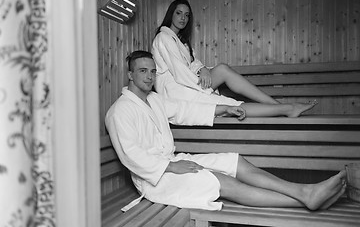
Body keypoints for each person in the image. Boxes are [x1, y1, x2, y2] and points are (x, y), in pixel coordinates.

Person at [105, 50, 346, 212]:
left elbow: (185, 109)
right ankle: (305, 198)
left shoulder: (155, 100)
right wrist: (170, 167)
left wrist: (224, 110)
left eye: (152, 71)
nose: (149, 76)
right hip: (154, 179)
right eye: (142, 71)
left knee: (234, 162)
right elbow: (131, 155)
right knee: (219, 181)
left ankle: (304, 193)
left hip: (171, 162)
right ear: (130, 75)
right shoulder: (120, 111)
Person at [152, 0, 316, 118]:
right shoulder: (164, 38)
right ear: (170, 15)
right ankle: (285, 108)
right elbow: (180, 72)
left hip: (187, 83)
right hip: (176, 91)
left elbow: (193, 62)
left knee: (222, 70)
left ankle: (280, 106)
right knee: (230, 104)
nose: (183, 18)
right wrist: (206, 91)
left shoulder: (180, 41)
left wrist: (203, 70)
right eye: (179, 13)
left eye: (187, 15)